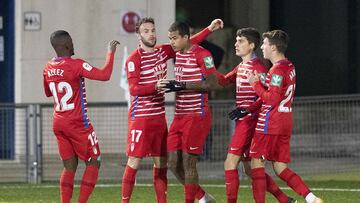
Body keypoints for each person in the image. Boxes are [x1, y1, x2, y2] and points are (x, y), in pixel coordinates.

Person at [122, 17, 223, 203]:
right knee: (135, 161)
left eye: (152, 30)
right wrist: (155, 86)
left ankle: (187, 199)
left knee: (163, 164)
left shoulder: (163, 51)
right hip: (141, 118)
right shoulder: (134, 59)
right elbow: (133, 89)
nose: (151, 34)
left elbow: (189, 41)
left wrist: (209, 29)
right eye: (145, 31)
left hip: (161, 118)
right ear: (138, 35)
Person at [217, 27, 296, 203]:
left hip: (250, 122)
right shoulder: (242, 66)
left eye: (241, 41)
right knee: (249, 170)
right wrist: (206, 64)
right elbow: (222, 81)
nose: (236, 44)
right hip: (244, 120)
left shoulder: (259, 68)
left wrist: (248, 109)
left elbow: (267, 97)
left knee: (230, 164)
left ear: (251, 45)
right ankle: (284, 199)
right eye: (236, 41)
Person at [43, 30, 120, 203]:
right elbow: (104, 75)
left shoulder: (48, 67)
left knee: (69, 166)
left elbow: (48, 92)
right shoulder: (76, 64)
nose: (74, 43)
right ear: (67, 45)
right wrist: (110, 52)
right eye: (71, 40)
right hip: (77, 122)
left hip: (58, 122)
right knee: (94, 160)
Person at [247, 30, 324, 203]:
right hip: (285, 121)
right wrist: (264, 77)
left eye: (265, 44)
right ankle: (311, 198)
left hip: (270, 122)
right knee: (280, 167)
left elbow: (272, 98)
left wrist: (255, 84)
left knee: (256, 165)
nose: (262, 47)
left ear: (273, 47)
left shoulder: (277, 70)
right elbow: (280, 86)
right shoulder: (289, 66)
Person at [158, 21, 224, 203]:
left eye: (175, 38)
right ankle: (203, 197)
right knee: (172, 163)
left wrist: (181, 85)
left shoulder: (203, 54)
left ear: (186, 38)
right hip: (180, 116)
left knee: (188, 162)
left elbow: (212, 84)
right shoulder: (178, 54)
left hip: (197, 116)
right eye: (170, 38)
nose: (171, 42)